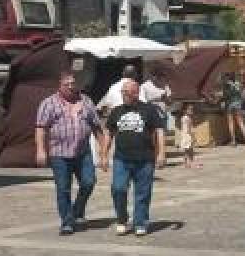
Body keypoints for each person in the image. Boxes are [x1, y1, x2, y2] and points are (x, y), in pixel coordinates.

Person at [35, 72, 102, 236]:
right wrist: (41, 150)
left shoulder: (86, 101)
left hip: (82, 152)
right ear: (60, 86)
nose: (72, 86)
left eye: (73, 83)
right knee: (63, 189)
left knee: (88, 182)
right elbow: (41, 128)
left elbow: (96, 127)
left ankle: (77, 210)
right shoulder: (48, 103)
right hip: (59, 154)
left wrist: (104, 150)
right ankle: (67, 222)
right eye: (67, 84)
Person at [100, 80, 165, 237]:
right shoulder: (116, 111)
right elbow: (108, 133)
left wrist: (161, 153)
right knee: (118, 188)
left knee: (142, 192)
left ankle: (140, 222)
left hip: (145, 158)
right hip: (121, 158)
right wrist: (103, 155)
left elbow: (159, 131)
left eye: (126, 93)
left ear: (136, 93)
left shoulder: (149, 110)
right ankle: (122, 219)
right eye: (122, 92)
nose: (123, 96)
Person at [221, 72, 245, 146]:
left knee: (231, 123)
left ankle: (233, 141)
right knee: (240, 122)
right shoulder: (237, 84)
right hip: (237, 103)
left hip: (229, 104)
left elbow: (225, 96)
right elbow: (241, 94)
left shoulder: (226, 85)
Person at [178, 103, 200, 168]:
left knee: (186, 151)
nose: (191, 111)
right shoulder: (187, 118)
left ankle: (186, 163)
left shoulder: (183, 118)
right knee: (190, 151)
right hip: (188, 135)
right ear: (184, 110)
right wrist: (193, 136)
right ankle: (191, 162)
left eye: (192, 109)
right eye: (189, 109)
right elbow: (189, 129)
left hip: (184, 135)